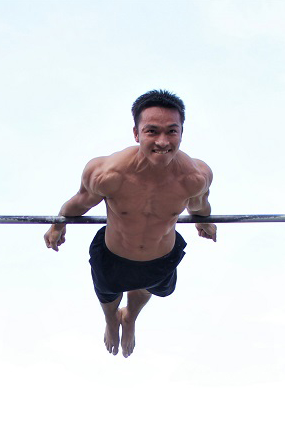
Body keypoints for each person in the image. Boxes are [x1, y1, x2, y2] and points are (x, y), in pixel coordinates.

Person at [44, 89, 216, 358]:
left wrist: (204, 222)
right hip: (114, 254)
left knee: (147, 289)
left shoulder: (194, 176)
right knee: (108, 295)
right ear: (136, 134)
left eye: (172, 131)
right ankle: (112, 320)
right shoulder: (108, 173)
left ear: (182, 132)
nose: (163, 141)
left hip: (161, 256)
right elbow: (79, 202)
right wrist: (58, 224)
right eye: (152, 131)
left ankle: (130, 318)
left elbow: (200, 205)